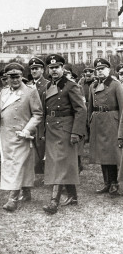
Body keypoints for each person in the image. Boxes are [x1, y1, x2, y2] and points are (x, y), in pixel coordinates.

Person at [0, 62, 43, 212]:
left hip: (21, 134)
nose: (15, 80)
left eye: (17, 77)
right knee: (15, 163)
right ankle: (26, 192)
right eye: (11, 77)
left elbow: (38, 114)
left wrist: (27, 130)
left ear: (22, 76)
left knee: (17, 164)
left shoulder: (30, 92)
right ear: (6, 78)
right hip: (5, 134)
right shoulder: (3, 92)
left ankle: (12, 198)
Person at [42, 54, 86, 214]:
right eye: (51, 68)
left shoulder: (71, 85)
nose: (54, 70)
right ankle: (73, 196)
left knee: (59, 163)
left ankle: (54, 201)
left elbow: (81, 110)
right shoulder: (48, 87)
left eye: (57, 67)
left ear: (62, 68)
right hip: (52, 128)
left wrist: (76, 132)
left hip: (65, 128)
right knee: (60, 162)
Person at [88, 58, 123, 196]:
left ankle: (114, 183)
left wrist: (121, 127)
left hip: (111, 120)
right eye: (97, 69)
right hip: (98, 121)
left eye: (102, 68)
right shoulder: (93, 85)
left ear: (108, 70)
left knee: (112, 152)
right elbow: (90, 106)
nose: (99, 71)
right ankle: (106, 182)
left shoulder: (116, 84)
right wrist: (90, 120)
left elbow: (122, 107)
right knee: (102, 152)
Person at [28, 57, 49, 174]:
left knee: (43, 147)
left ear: (42, 70)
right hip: (31, 121)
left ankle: (46, 172)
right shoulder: (28, 85)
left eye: (36, 68)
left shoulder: (47, 85)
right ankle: (35, 171)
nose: (34, 71)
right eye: (32, 69)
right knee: (32, 147)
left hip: (43, 121)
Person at [79, 67, 95, 143]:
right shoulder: (81, 82)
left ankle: (92, 137)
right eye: (86, 74)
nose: (88, 76)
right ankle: (85, 137)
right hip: (83, 105)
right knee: (84, 122)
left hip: (93, 105)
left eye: (90, 74)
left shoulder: (96, 82)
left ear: (93, 74)